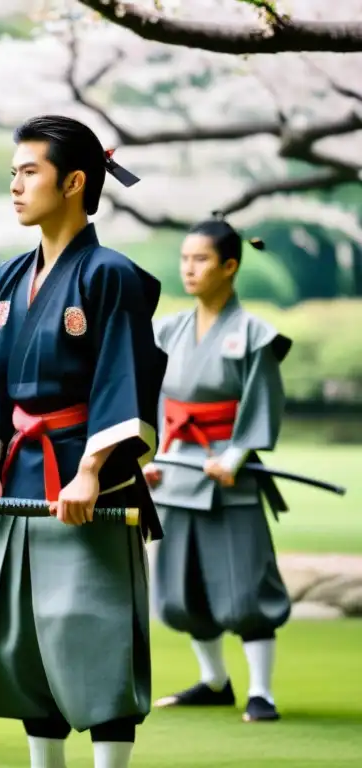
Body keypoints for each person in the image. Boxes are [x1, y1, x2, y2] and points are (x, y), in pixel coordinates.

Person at [0, 115, 167, 768]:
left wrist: (92, 468)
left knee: (90, 629)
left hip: (86, 478)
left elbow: (121, 376)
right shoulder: (9, 279)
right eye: (12, 173)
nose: (14, 186)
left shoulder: (111, 275)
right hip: (21, 473)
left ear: (74, 182)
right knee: (26, 635)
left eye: (29, 172)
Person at [144, 216, 293, 723]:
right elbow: (155, 400)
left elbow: (262, 403)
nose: (190, 269)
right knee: (180, 590)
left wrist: (234, 457)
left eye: (201, 259)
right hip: (174, 470)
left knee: (244, 587)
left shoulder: (254, 334)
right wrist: (150, 456)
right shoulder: (166, 330)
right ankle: (213, 681)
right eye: (185, 259)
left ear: (230, 266)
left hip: (229, 474)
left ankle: (262, 691)